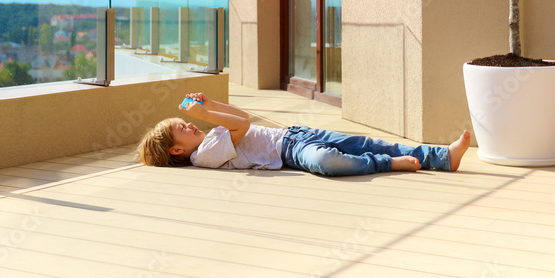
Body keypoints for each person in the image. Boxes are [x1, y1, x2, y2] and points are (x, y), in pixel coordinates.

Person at [137, 92, 471, 176]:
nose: (190, 124)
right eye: (182, 128)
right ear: (177, 151)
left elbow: (242, 117)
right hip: (290, 152)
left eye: (185, 121)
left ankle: (442, 157)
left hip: (296, 133)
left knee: (364, 141)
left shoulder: (210, 135)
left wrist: (209, 104)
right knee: (325, 161)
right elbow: (243, 125)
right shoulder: (204, 155)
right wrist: (207, 113)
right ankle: (390, 163)